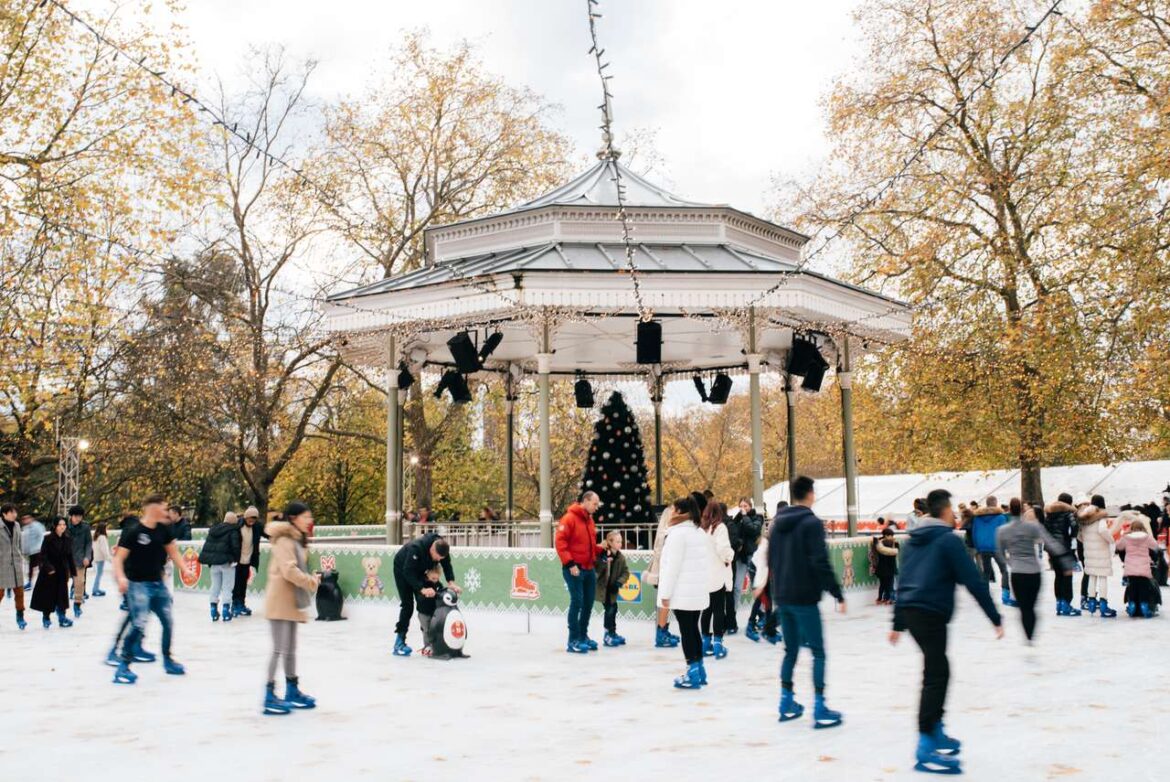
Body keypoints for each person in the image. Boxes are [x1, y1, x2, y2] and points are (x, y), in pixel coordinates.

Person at [889, 488, 1003, 774]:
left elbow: (903, 581)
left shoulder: (914, 540)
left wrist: (898, 622)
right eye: (951, 510)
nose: (954, 515)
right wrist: (994, 616)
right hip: (930, 611)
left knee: (938, 670)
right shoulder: (947, 541)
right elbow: (973, 580)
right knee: (936, 674)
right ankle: (926, 742)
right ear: (944, 511)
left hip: (915, 612)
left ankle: (935, 729)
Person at [770, 476, 846, 728]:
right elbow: (819, 561)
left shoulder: (776, 524)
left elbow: (772, 561)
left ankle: (786, 699)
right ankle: (819, 705)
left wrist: (776, 594)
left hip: (783, 597)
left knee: (790, 651)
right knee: (818, 652)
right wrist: (837, 592)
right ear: (811, 494)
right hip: (804, 596)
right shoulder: (811, 523)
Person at [112, 495, 193, 684]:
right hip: (138, 585)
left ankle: (168, 659)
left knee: (168, 621)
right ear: (152, 508)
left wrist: (185, 569)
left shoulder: (164, 530)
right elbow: (118, 558)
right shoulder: (133, 531)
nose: (166, 512)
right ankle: (123, 666)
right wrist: (121, 578)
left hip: (158, 584)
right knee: (139, 623)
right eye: (163, 508)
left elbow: (173, 552)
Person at [262, 501, 321, 715]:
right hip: (280, 600)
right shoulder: (284, 540)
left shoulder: (296, 540)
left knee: (290, 650)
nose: (310, 521)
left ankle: (292, 690)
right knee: (279, 649)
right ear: (293, 518)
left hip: (291, 601)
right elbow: (288, 570)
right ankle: (268, 696)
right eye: (306, 517)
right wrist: (310, 581)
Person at [996, 504, 1076, 643]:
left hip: (1017, 572)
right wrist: (1066, 558)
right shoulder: (1033, 527)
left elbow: (999, 552)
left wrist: (1010, 562)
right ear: (1023, 512)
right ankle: (1031, 634)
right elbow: (1051, 543)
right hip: (1033, 571)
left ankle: (1028, 635)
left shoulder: (1002, 530)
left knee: (1024, 607)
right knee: (1031, 606)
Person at [657, 496, 712, 689]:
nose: (670, 513)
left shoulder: (678, 534)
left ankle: (693, 671)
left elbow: (672, 568)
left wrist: (665, 593)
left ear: (680, 512)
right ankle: (699, 668)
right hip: (696, 592)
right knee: (692, 629)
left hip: (682, 592)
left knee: (687, 631)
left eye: (673, 509)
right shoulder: (698, 533)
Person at [392, 531, 460, 656]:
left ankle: (430, 642)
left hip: (421, 570)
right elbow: (408, 572)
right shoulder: (416, 548)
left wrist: (451, 583)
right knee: (408, 605)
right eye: (437, 558)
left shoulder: (442, 547)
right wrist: (421, 589)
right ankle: (399, 642)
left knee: (427, 602)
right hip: (403, 569)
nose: (439, 560)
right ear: (432, 549)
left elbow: (447, 565)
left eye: (441, 558)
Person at [554, 491, 603, 654]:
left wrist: (602, 552)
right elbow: (560, 542)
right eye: (595, 504)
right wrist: (569, 563)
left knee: (588, 603)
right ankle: (573, 639)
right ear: (586, 501)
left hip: (589, 568)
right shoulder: (569, 518)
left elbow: (590, 545)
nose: (596, 507)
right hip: (574, 568)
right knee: (577, 601)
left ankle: (583, 636)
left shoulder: (589, 520)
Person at [1077, 495, 1123, 617]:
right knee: (1102, 577)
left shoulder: (1085, 520)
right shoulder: (1100, 518)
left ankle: (1091, 602)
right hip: (1101, 552)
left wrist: (1087, 541)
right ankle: (1103, 604)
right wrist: (1111, 539)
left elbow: (1079, 536)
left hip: (1089, 552)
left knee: (1092, 575)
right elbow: (1103, 531)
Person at [645, 505, 682, 648]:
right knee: (664, 603)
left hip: (665, 571)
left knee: (667, 603)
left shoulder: (669, 531)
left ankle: (664, 630)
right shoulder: (667, 533)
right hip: (664, 572)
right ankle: (660, 634)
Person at [700, 501, 733, 659]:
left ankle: (705, 643)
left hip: (704, 575)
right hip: (717, 574)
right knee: (719, 609)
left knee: (706, 609)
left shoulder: (701, 529)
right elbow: (723, 549)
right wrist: (729, 557)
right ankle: (718, 644)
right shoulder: (720, 528)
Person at [1116, 511, 1164, 618]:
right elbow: (1156, 547)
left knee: (1133, 587)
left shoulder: (1126, 538)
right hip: (1144, 568)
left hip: (1130, 569)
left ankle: (1132, 606)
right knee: (1144, 587)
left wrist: (1126, 533)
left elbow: (1118, 546)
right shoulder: (1147, 537)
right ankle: (1144, 607)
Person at [30, 518, 75, 629]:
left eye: (64, 524)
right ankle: (46, 617)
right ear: (55, 526)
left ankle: (62, 617)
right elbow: (43, 556)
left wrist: (72, 571)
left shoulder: (68, 539)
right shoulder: (48, 539)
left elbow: (69, 556)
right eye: (60, 525)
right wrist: (49, 567)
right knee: (48, 596)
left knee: (62, 595)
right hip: (49, 572)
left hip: (62, 572)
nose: (62, 527)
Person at [728, 498, 763, 634]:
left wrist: (745, 516)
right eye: (741, 505)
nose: (743, 508)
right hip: (740, 557)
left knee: (756, 586)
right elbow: (733, 531)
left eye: (746, 505)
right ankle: (732, 618)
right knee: (736, 587)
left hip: (752, 556)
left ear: (750, 506)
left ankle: (761, 615)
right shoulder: (738, 518)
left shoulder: (757, 517)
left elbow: (754, 530)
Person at [199, 511, 242, 623]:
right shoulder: (233, 531)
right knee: (227, 586)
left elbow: (208, 546)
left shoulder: (214, 530)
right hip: (227, 563)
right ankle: (226, 610)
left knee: (215, 585)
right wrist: (236, 559)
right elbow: (236, 547)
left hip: (214, 564)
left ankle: (213, 609)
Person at [1043, 493, 1082, 616]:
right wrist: (1071, 537)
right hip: (1064, 547)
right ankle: (1066, 604)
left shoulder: (1049, 514)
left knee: (1058, 575)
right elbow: (1075, 528)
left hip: (1051, 548)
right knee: (1067, 575)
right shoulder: (1068, 514)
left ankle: (1059, 603)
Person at [971, 497, 1014, 605]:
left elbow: (974, 533)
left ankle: (985, 595)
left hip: (983, 547)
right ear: (995, 504)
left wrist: (978, 547)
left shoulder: (977, 518)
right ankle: (1005, 593)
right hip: (997, 547)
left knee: (986, 572)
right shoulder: (1000, 517)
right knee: (1003, 570)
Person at [595, 530, 630, 647]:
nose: (620, 544)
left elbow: (626, 572)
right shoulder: (602, 554)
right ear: (610, 542)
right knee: (610, 609)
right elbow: (597, 568)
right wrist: (604, 561)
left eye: (621, 541)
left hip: (613, 589)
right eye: (618, 541)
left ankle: (612, 632)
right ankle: (608, 634)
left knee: (613, 608)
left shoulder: (621, 557)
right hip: (603, 588)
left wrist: (618, 583)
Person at [233, 507, 264, 617]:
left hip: (248, 560)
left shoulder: (257, 527)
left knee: (243, 584)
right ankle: (234, 605)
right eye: (250, 518)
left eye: (254, 519)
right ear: (246, 517)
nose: (252, 521)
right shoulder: (237, 525)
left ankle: (241, 604)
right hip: (237, 560)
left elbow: (267, 534)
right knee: (236, 583)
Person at [1, 504, 27, 629]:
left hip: (16, 563)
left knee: (20, 592)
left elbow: (19, 543)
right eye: (12, 512)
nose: (15, 514)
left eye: (15, 512)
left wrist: (21, 556)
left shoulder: (17, 525)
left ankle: (20, 615)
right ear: (4, 514)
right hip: (2, 564)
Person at [67, 505, 92, 617]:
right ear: (71, 516)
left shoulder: (86, 527)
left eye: (80, 516)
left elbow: (88, 543)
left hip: (80, 559)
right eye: (76, 516)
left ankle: (77, 604)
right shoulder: (64, 526)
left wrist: (87, 557)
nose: (78, 518)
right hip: (65, 560)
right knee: (61, 583)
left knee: (80, 583)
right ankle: (60, 605)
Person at [415, 568, 443, 656]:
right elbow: (419, 596)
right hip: (423, 613)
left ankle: (434, 645)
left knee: (434, 629)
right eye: (433, 578)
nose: (435, 581)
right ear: (427, 575)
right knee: (426, 629)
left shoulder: (439, 585)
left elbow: (441, 594)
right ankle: (427, 646)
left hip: (433, 612)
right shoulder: (422, 584)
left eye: (437, 579)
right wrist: (425, 595)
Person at [874, 527, 899, 605]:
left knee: (883, 584)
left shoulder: (878, 543)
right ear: (886, 535)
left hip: (881, 567)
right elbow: (895, 552)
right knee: (890, 584)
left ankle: (880, 598)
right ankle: (889, 599)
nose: (892, 537)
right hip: (890, 567)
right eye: (891, 535)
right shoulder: (892, 543)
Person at [20, 513, 45, 590]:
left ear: (31, 518)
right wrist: (24, 550)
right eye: (24, 519)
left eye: (26, 518)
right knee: (32, 567)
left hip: (38, 550)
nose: (25, 520)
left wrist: (40, 547)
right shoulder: (26, 527)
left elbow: (41, 536)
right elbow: (25, 540)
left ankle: (42, 582)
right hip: (31, 552)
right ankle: (30, 583)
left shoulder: (37, 526)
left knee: (40, 566)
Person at [91, 522, 111, 597]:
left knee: (99, 574)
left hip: (97, 557)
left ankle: (96, 588)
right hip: (100, 558)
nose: (107, 529)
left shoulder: (96, 537)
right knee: (99, 574)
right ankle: (95, 589)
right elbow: (104, 549)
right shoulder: (102, 537)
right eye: (106, 527)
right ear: (103, 528)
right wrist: (109, 558)